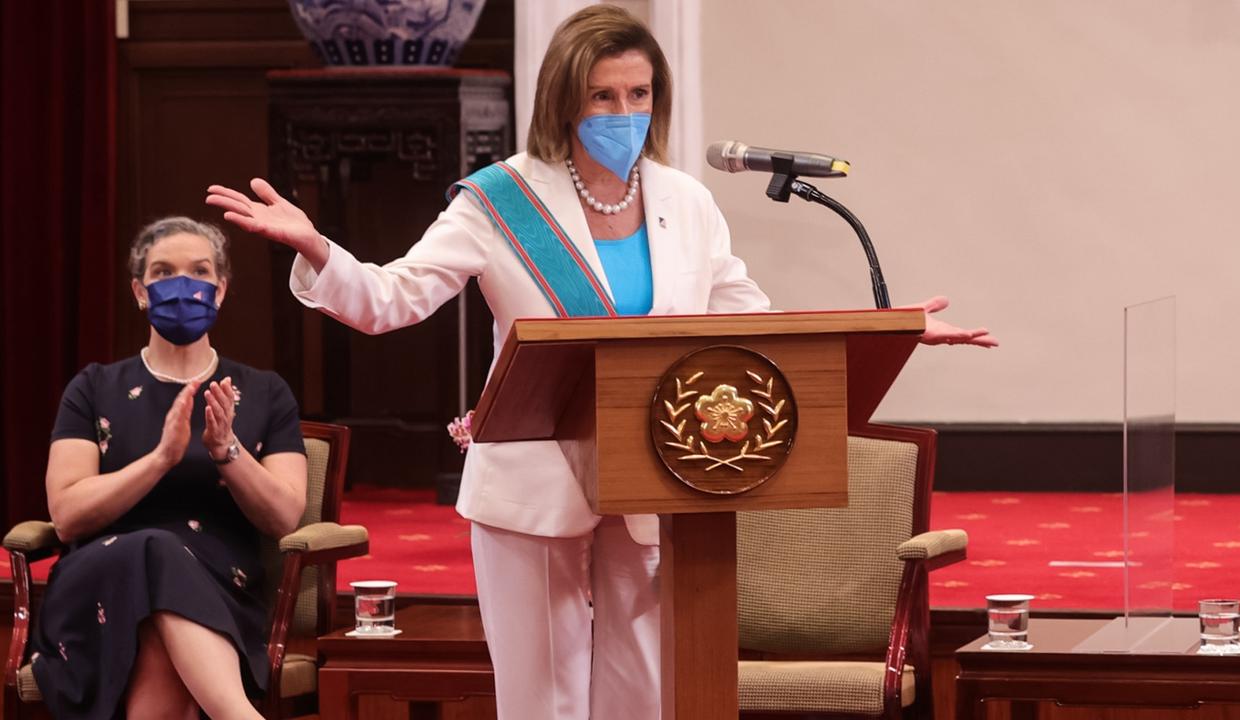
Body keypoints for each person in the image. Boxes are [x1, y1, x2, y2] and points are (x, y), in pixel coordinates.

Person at [206, 7, 994, 719]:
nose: (625, 114)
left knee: (643, 688)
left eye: (640, 95)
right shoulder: (498, 199)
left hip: (661, 471)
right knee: (543, 693)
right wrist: (317, 249)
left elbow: (747, 319)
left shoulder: (685, 201)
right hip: (535, 471)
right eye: (604, 97)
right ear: (565, 101)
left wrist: (883, 332)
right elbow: (391, 300)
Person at [32, 217, 308, 720]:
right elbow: (67, 514)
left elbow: (285, 516)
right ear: (140, 291)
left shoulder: (265, 392)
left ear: (220, 290)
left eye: (199, 271)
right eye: (163, 272)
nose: (183, 285)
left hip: (220, 584)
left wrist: (228, 449)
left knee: (162, 635)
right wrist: (161, 459)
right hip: (99, 582)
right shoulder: (93, 388)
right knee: (154, 549)